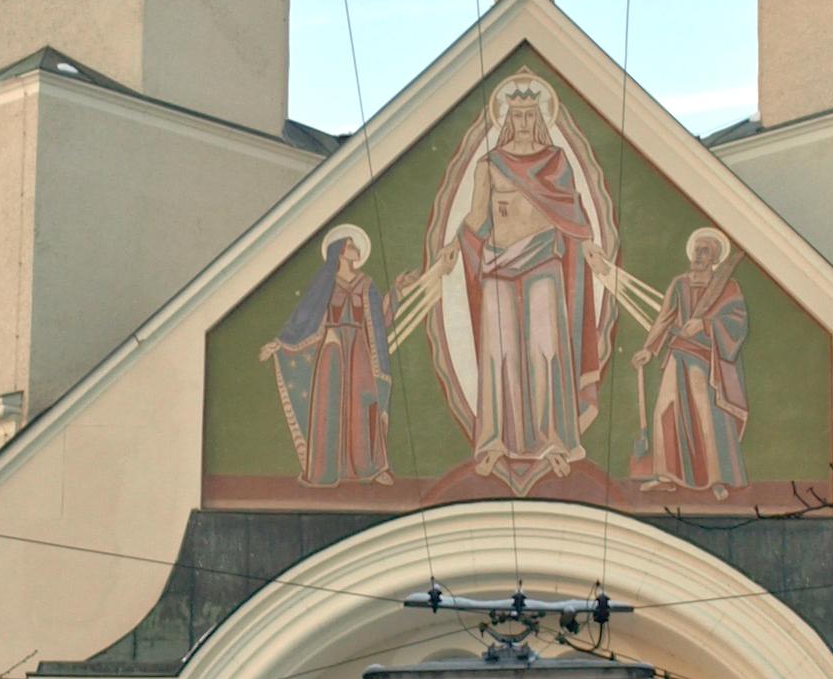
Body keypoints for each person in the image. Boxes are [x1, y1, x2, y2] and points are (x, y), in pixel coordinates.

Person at [405, 76, 620, 491]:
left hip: (544, 262)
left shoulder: (557, 161)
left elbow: (572, 214)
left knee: (547, 350)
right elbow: (478, 216)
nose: (522, 122)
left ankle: (555, 442)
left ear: (539, 118)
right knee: (497, 353)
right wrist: (454, 245)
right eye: (516, 116)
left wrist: (589, 245)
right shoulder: (490, 164)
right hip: (497, 265)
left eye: (528, 115)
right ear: (507, 120)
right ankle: (493, 443)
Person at [263, 224, 392, 485]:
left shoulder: (366, 284)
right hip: (332, 348)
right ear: (341, 252)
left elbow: (380, 319)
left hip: (359, 351)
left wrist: (397, 293)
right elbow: (304, 317)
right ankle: (326, 471)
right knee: (330, 406)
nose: (356, 250)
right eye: (351, 245)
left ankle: (372, 468)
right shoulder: (326, 284)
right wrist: (279, 343)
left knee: (364, 403)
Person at [632, 228, 750, 494]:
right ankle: (666, 476)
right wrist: (649, 349)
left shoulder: (727, 287)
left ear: (715, 257)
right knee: (665, 409)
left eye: (704, 250)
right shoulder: (680, 284)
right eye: (696, 249)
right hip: (678, 353)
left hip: (706, 360)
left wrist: (705, 325)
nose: (698, 255)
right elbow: (664, 317)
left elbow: (737, 322)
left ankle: (716, 481)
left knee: (706, 415)